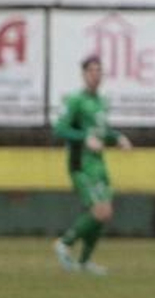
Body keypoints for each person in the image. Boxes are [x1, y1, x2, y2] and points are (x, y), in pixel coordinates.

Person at [51, 55, 130, 277]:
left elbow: (101, 132)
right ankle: (64, 243)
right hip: (81, 165)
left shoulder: (102, 102)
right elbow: (59, 129)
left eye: (99, 70)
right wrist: (83, 137)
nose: (96, 74)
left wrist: (117, 137)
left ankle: (84, 262)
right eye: (91, 70)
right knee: (100, 210)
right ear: (84, 74)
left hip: (98, 164)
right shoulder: (75, 100)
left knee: (105, 213)